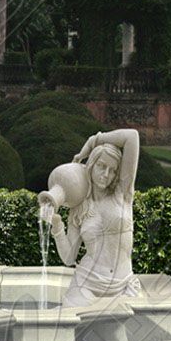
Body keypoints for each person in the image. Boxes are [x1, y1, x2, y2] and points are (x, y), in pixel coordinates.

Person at [45, 129, 141, 307]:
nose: (106, 174)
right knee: (70, 321)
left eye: (112, 170)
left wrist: (94, 141)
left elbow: (132, 137)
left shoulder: (123, 194)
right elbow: (68, 258)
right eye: (101, 166)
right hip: (87, 283)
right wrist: (57, 225)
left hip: (122, 284)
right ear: (91, 165)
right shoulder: (79, 208)